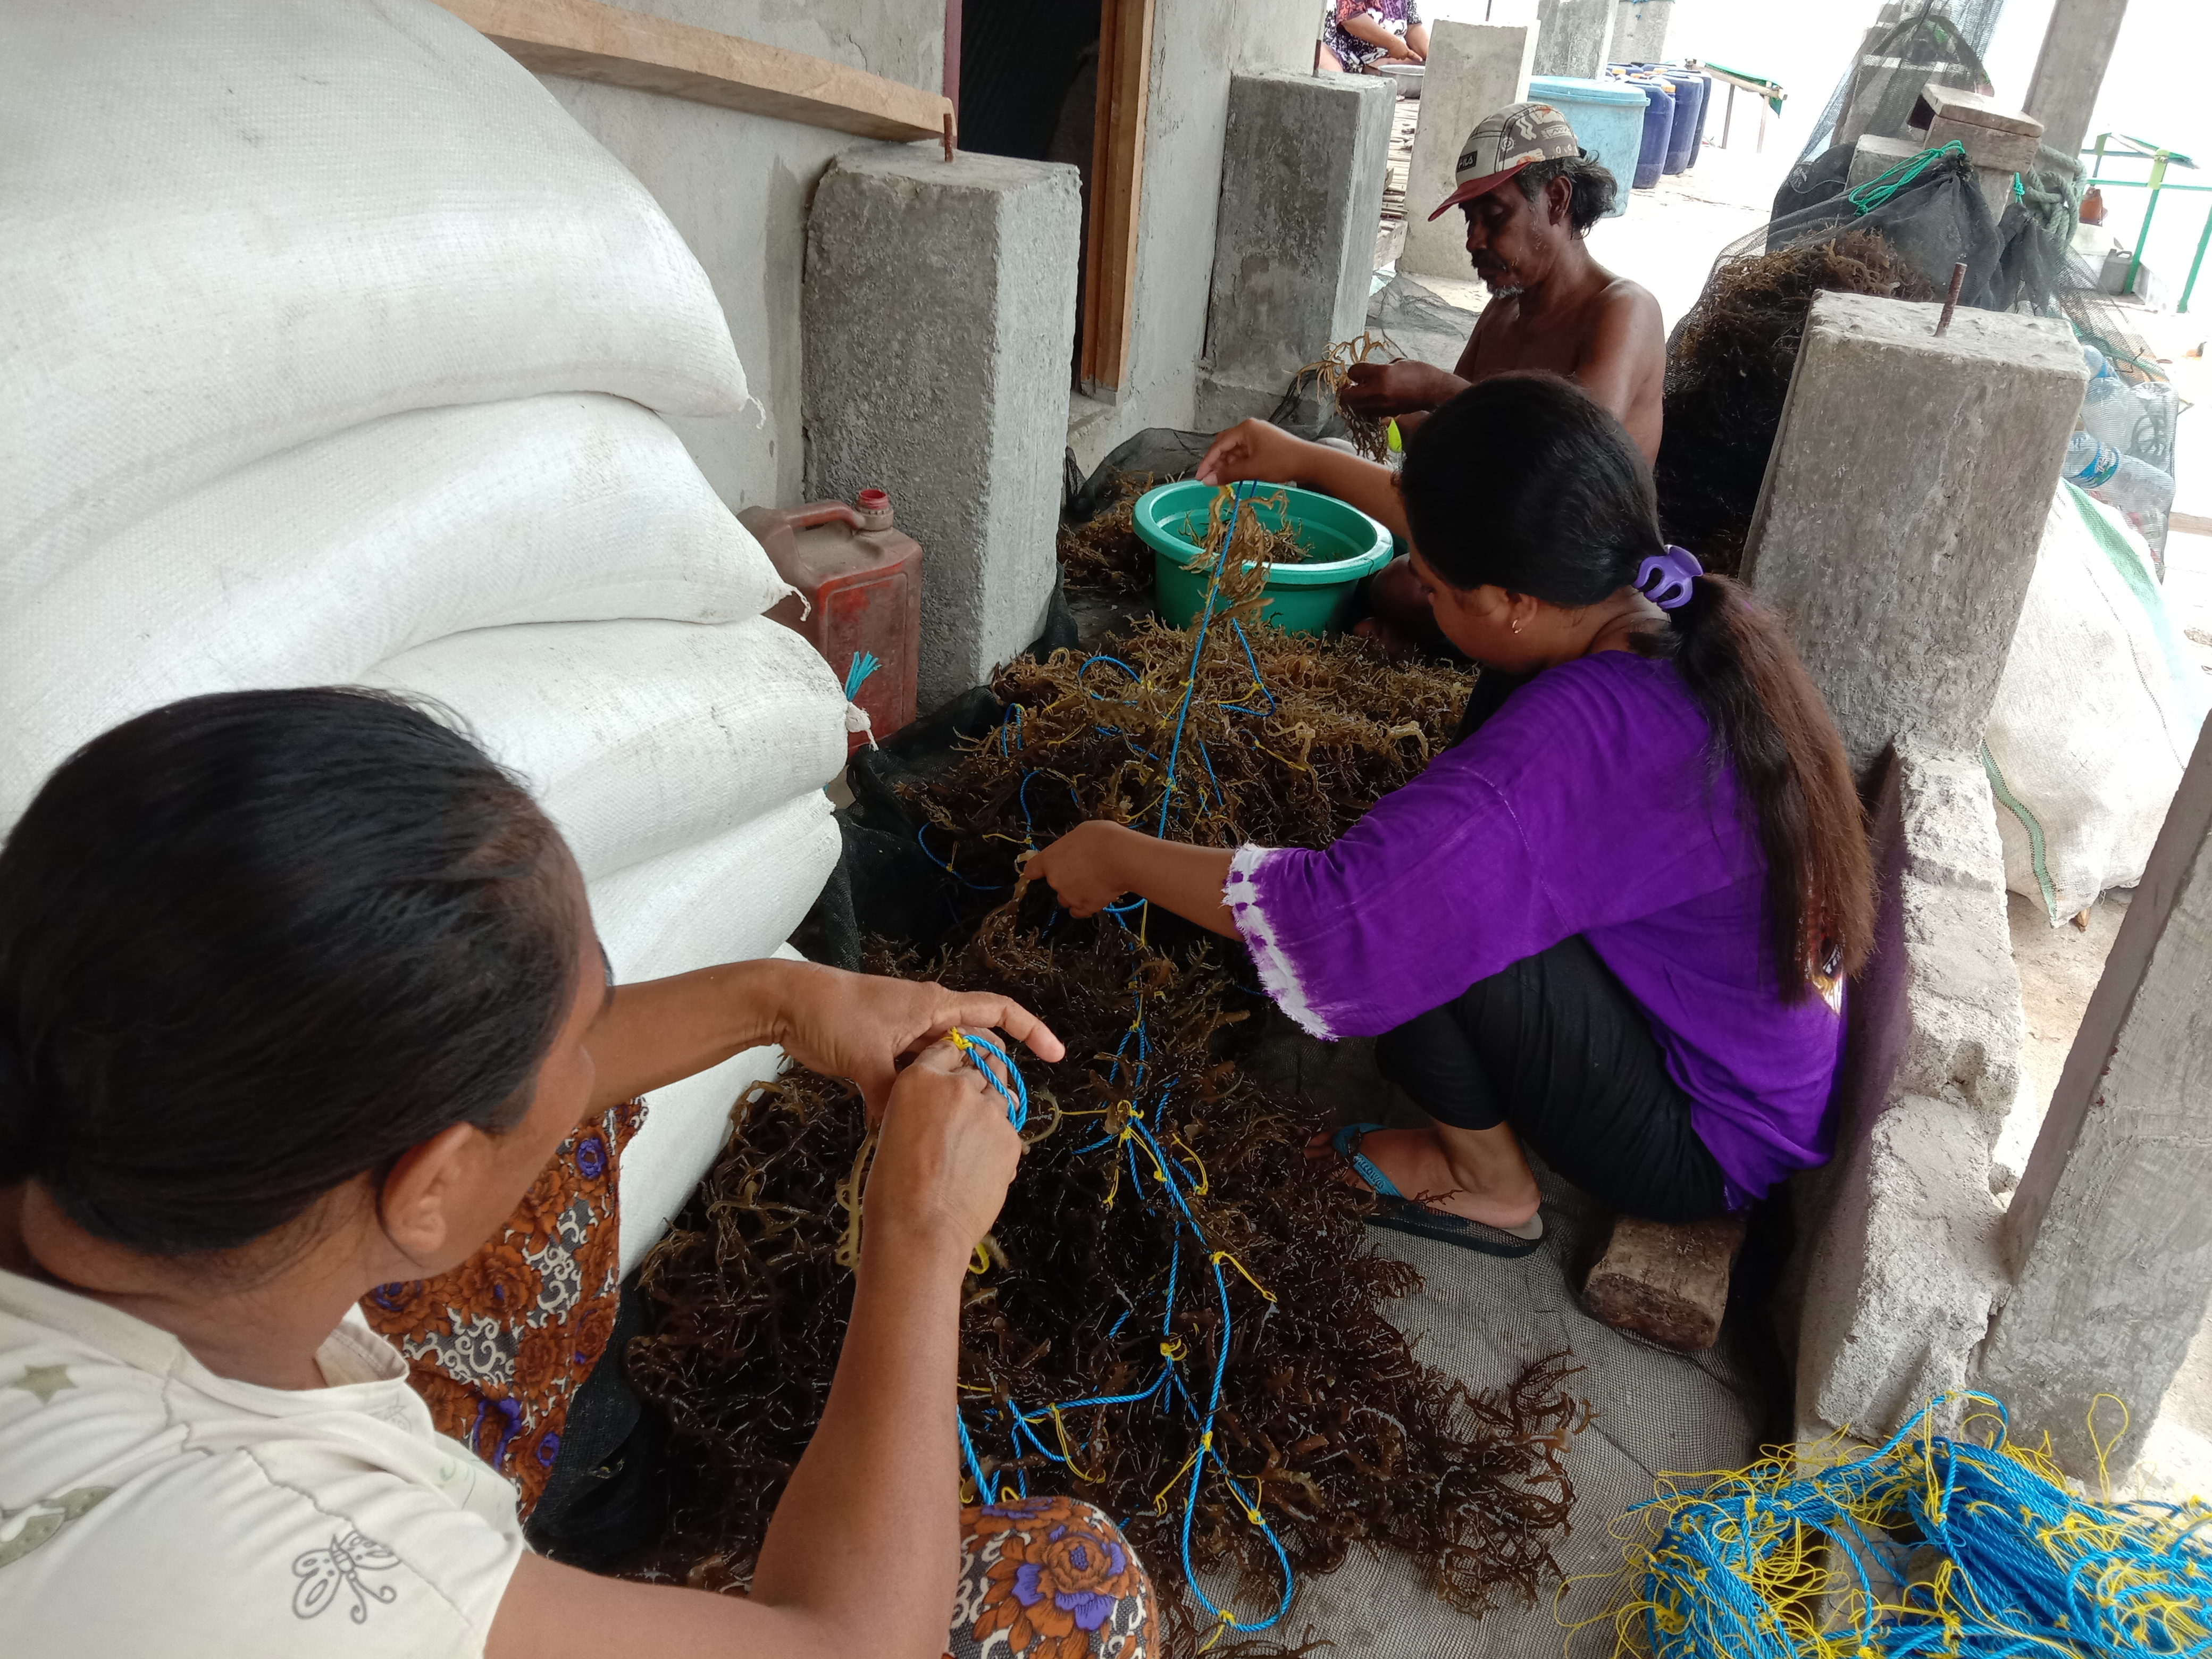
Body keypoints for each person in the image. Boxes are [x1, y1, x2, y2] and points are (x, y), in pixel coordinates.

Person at [0, 688, 1156, 1659]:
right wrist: (921, 1234)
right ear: (427, 1186)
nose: (595, 1061)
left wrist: (783, 997)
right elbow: (850, 1648)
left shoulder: (65, 1099)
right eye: (576, 1037)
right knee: (1075, 1587)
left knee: (557, 1172)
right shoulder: (309, 1564)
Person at [1028, 375, 1872, 1253]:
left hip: (1699, 1139)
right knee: (1453, 830)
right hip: (1737, 1058)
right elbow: (1463, 530)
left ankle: (1486, 1181)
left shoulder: (1587, 737)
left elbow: (1340, 916)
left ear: (1514, 602)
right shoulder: (1652, 601)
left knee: (1423, 908)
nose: (1420, 595)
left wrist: (1115, 855)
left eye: (1431, 590)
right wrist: (1305, 462)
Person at [1218, 102, 1667, 653]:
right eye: (1469, 220)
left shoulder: (1622, 307)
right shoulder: (1503, 311)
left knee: (1401, 589)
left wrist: (1433, 388)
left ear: (1556, 199)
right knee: (1325, 466)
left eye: (1493, 216)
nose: (1474, 240)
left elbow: (1579, 443)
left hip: (1558, 560)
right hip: (1490, 524)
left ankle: (1424, 632)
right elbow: (1457, 447)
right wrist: (1396, 413)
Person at [1320, 1, 1428, 75]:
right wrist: (1393, 44)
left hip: (1382, 60)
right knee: (1322, 55)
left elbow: (1413, 28)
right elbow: (1350, 19)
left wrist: (1432, 55)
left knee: (1428, 68)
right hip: (1341, 56)